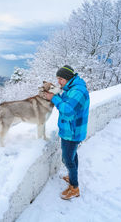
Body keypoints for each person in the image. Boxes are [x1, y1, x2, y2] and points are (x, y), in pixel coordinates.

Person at [44, 65, 90, 200]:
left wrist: (54, 98)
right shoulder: (70, 88)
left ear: (68, 78)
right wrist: (56, 94)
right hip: (69, 130)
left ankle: (74, 188)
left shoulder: (78, 91)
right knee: (71, 155)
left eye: (60, 79)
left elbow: (68, 111)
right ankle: (72, 175)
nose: (59, 82)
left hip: (73, 132)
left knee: (67, 159)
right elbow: (66, 102)